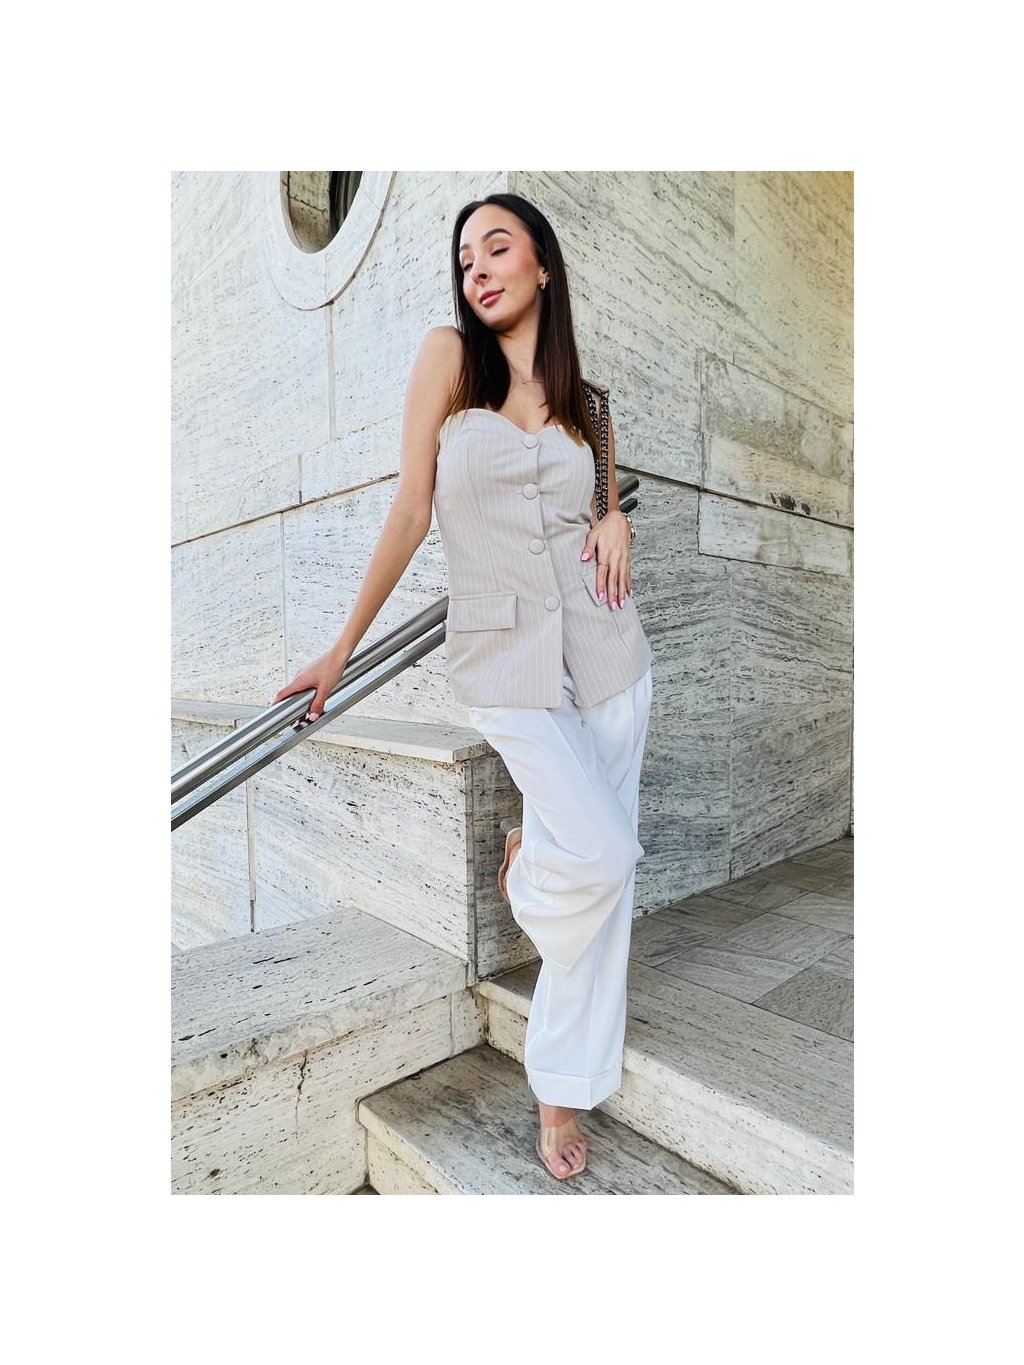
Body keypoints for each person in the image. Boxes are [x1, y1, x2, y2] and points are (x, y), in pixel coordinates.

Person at [274, 193, 655, 1183]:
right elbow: (411, 511)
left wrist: (615, 517)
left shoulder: (585, 401)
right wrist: (341, 649)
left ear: (543, 266)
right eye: (464, 257)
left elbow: (600, 498)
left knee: (607, 881)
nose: (476, 268)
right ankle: (526, 873)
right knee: (604, 855)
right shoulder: (450, 359)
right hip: (504, 661)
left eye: (497, 247)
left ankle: (561, 1088)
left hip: (608, 653)